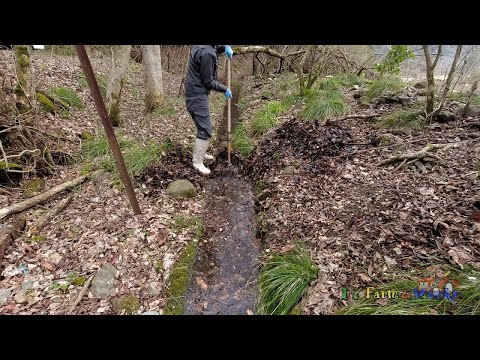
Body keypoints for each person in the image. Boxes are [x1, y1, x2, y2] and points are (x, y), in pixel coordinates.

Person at [185, 45, 233, 175]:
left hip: (193, 92)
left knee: (202, 127)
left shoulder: (202, 46)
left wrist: (223, 48)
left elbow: (213, 49)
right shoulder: (207, 53)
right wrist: (224, 89)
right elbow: (208, 81)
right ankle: (197, 163)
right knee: (206, 130)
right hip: (197, 96)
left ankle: (201, 152)